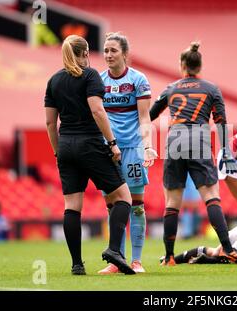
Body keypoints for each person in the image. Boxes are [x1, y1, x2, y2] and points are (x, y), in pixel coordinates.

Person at [150, 41, 237, 266]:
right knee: (211, 197)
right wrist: (226, 152)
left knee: (172, 202)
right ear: (200, 65)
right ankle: (228, 249)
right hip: (199, 140)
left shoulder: (171, 88)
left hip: (174, 141)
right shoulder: (211, 89)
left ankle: (170, 257)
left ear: (182, 65)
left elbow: (151, 115)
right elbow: (221, 122)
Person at [44, 35, 135, 275]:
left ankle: (76, 265)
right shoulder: (90, 75)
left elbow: (50, 124)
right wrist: (113, 143)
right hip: (90, 144)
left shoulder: (53, 80)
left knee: (72, 206)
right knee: (124, 197)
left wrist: (57, 151)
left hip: (65, 146)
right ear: (85, 53)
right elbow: (97, 110)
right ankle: (114, 249)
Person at [97, 32, 158, 274]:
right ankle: (117, 260)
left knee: (137, 206)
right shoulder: (98, 81)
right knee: (113, 206)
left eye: (113, 50)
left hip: (132, 149)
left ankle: (137, 260)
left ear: (125, 53)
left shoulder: (138, 80)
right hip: (107, 151)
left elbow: (145, 116)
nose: (108, 55)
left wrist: (147, 146)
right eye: (105, 50)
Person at [180, 173, 202, 239]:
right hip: (185, 185)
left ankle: (195, 232)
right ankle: (187, 233)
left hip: (193, 184)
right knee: (185, 209)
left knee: (195, 209)